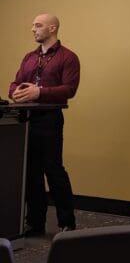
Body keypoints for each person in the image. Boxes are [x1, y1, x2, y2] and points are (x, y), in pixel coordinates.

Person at [9, 14, 80, 236]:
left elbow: (69, 89)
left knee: (54, 171)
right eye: (33, 25)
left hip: (50, 120)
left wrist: (40, 92)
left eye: (38, 25)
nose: (33, 29)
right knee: (31, 173)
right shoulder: (29, 58)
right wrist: (17, 94)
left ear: (52, 28)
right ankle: (35, 222)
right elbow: (14, 84)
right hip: (27, 119)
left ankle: (67, 223)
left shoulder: (68, 58)